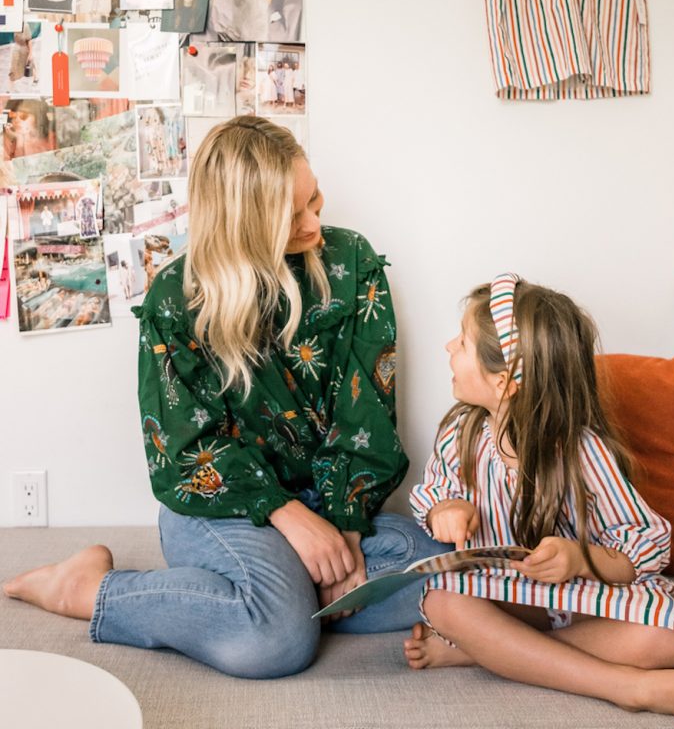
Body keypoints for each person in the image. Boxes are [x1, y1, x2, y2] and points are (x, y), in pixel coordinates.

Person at [3, 116, 448, 678]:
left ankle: (276, 594)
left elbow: (366, 415)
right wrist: (291, 519)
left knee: (455, 576)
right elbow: (185, 451)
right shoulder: (175, 298)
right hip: (223, 506)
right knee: (277, 642)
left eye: (315, 199)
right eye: (292, 216)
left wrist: (346, 527)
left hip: (330, 500)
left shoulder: (351, 262)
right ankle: (92, 589)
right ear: (242, 223)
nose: (316, 223)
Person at [403, 273, 674, 728]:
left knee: (668, 638)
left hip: (580, 598)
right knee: (442, 599)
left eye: (462, 343)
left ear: (505, 382)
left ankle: (483, 653)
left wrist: (580, 559)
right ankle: (631, 689)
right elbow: (432, 494)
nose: (448, 347)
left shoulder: (581, 451)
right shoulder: (460, 433)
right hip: (505, 596)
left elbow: (647, 546)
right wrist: (446, 510)